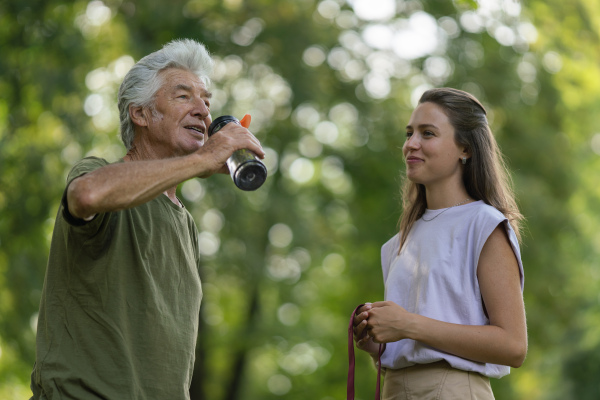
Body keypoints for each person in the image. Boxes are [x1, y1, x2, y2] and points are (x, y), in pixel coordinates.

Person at [30, 39, 264, 399]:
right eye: (184, 96)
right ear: (140, 114)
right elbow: (86, 195)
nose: (202, 110)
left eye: (206, 100)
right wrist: (204, 159)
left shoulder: (185, 223)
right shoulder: (97, 173)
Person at [353, 88, 527, 399]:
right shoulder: (397, 244)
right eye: (409, 133)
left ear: (465, 149)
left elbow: (513, 346)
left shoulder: (484, 224)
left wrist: (407, 324)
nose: (411, 144)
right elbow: (411, 348)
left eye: (427, 133)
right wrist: (375, 342)